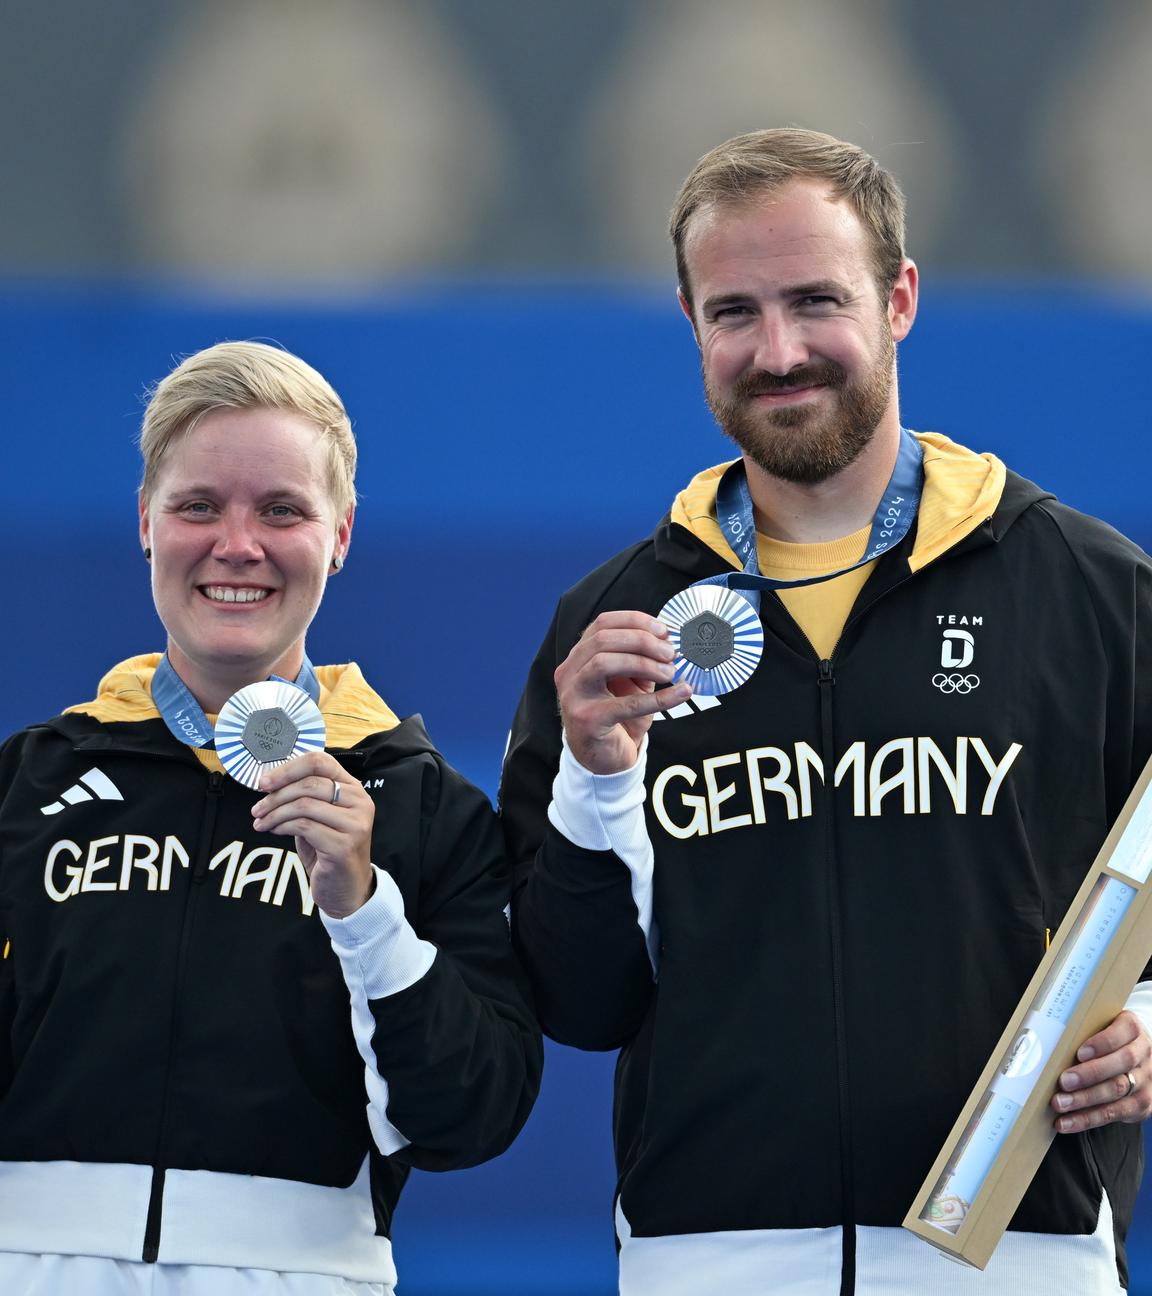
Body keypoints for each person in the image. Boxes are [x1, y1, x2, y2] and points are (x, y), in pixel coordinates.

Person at [499, 128, 1152, 1295]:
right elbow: (580, 1002)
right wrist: (594, 780)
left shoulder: (1089, 590)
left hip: (1017, 1248)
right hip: (709, 1257)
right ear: (691, 325)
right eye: (734, 312)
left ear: (899, 298)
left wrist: (1150, 1024)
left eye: (816, 300)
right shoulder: (605, 632)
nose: (779, 351)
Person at [0, 341, 542, 1296]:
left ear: (340, 534)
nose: (237, 545)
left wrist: (367, 910)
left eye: (282, 510)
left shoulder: (422, 808)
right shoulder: (28, 786)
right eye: (198, 505)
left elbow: (476, 1114)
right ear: (145, 523)